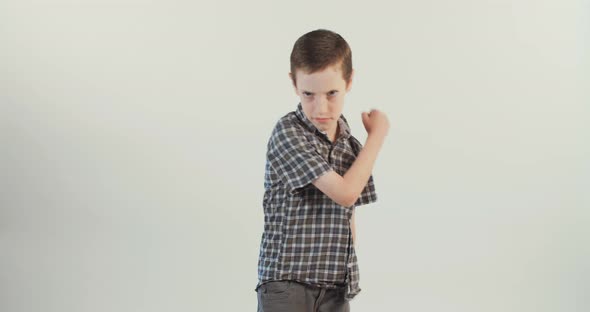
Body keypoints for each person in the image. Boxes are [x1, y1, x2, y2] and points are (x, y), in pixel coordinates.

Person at [255, 29, 389, 312]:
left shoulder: (349, 144)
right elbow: (346, 193)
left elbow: (348, 216)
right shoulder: (288, 133)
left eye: (331, 93)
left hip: (334, 288)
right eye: (308, 94)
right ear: (294, 84)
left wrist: (347, 276)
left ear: (349, 81)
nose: (321, 107)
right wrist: (377, 135)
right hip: (288, 283)